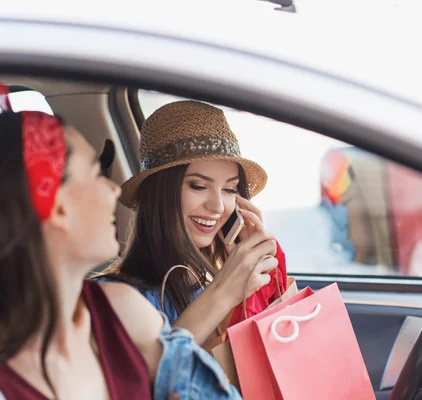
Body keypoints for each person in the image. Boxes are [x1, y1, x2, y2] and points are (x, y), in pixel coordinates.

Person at [0, 83, 242, 399]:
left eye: (229, 188)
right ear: (57, 206)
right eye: (97, 173)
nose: (114, 190)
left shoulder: (123, 311)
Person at [96, 100, 287, 349]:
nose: (218, 206)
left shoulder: (213, 285)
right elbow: (143, 381)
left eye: (229, 189)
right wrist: (224, 292)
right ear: (159, 194)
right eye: (198, 186)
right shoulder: (109, 298)